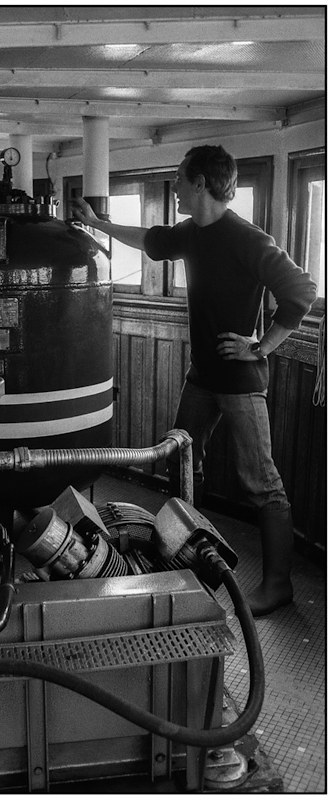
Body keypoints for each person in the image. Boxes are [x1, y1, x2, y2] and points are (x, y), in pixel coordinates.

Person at [72, 144, 317, 617]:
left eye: (181, 180)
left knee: (262, 483)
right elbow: (151, 239)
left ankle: (278, 585)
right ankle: (188, 557)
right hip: (202, 376)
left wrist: (261, 346)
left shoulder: (247, 238)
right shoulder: (191, 233)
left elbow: (302, 290)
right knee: (182, 462)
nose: (176, 189)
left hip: (240, 380)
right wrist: (99, 224)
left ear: (201, 183)